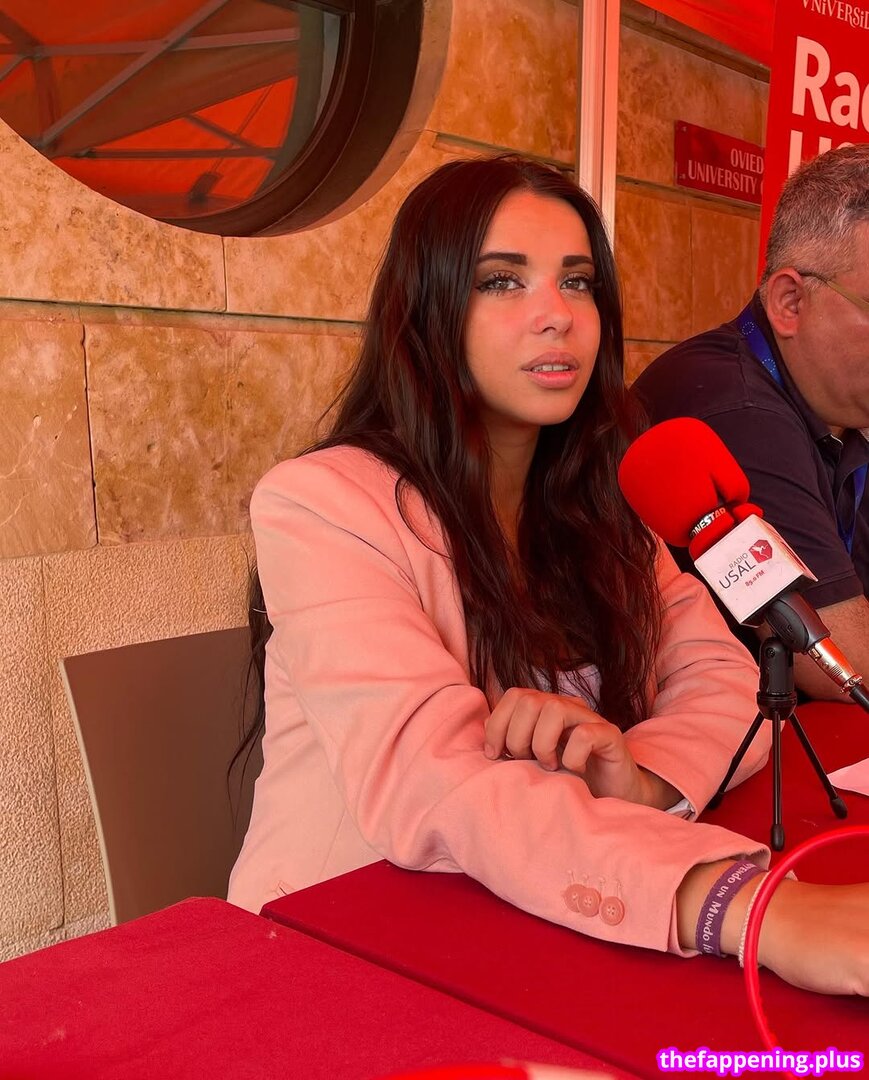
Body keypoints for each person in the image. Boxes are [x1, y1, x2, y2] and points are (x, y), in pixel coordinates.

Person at [228, 155, 869, 995]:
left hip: (537, 920)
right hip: (342, 945)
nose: (555, 316)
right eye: (501, 282)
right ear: (425, 310)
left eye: (577, 283)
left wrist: (641, 778)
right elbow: (440, 784)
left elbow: (721, 678)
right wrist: (742, 907)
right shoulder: (320, 504)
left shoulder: (602, 502)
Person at [633, 145, 869, 701]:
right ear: (789, 302)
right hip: (681, 741)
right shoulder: (734, 407)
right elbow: (842, 662)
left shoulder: (840, 406)